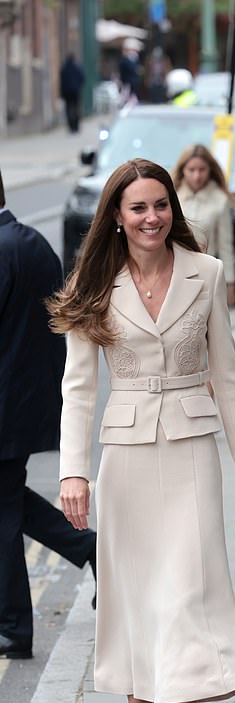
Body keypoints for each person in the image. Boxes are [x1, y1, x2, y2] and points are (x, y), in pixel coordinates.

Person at [47, 159, 235, 703]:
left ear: (174, 209)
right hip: (124, 462)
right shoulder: (94, 282)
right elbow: (78, 389)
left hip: (193, 453)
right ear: (116, 215)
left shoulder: (206, 274)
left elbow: (228, 377)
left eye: (160, 205)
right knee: (137, 607)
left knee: (188, 602)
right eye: (138, 207)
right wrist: (72, 470)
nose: (151, 217)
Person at [0, 169, 96, 660]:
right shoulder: (31, 240)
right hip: (28, 401)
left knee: (3, 512)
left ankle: (15, 626)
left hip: (4, 407)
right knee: (9, 501)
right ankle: (92, 549)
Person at [172, 144, 235, 307]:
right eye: (191, 169)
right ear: (182, 170)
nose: (197, 176)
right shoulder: (171, 197)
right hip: (173, 273)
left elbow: (225, 245)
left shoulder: (220, 200)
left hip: (205, 275)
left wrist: (230, 282)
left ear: (210, 170)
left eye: (202, 169)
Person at [59, 52, 85, 133]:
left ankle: (71, 127)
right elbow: (82, 78)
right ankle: (76, 126)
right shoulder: (77, 67)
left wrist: (62, 93)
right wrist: (78, 87)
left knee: (68, 109)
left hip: (67, 93)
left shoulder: (64, 68)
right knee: (76, 108)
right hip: (75, 91)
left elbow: (62, 81)